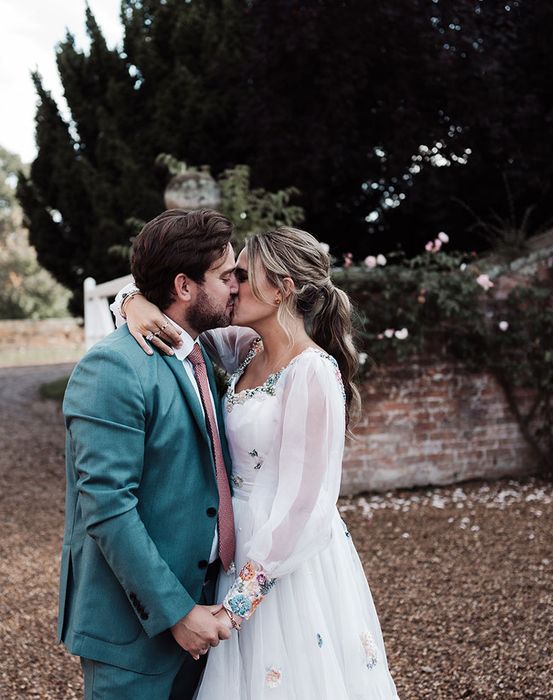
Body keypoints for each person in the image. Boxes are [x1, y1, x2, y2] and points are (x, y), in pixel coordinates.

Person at [117, 226, 400, 698]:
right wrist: (132, 302)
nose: (232, 285)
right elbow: (176, 325)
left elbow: (304, 505)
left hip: (284, 561)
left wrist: (235, 608)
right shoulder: (244, 347)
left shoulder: (313, 372)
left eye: (244, 276)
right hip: (235, 542)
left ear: (282, 289)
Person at [60, 209, 240, 699]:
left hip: (206, 607)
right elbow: (108, 507)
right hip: (134, 626)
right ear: (184, 286)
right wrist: (176, 612)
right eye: (226, 277)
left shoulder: (202, 352)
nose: (237, 288)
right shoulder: (113, 368)